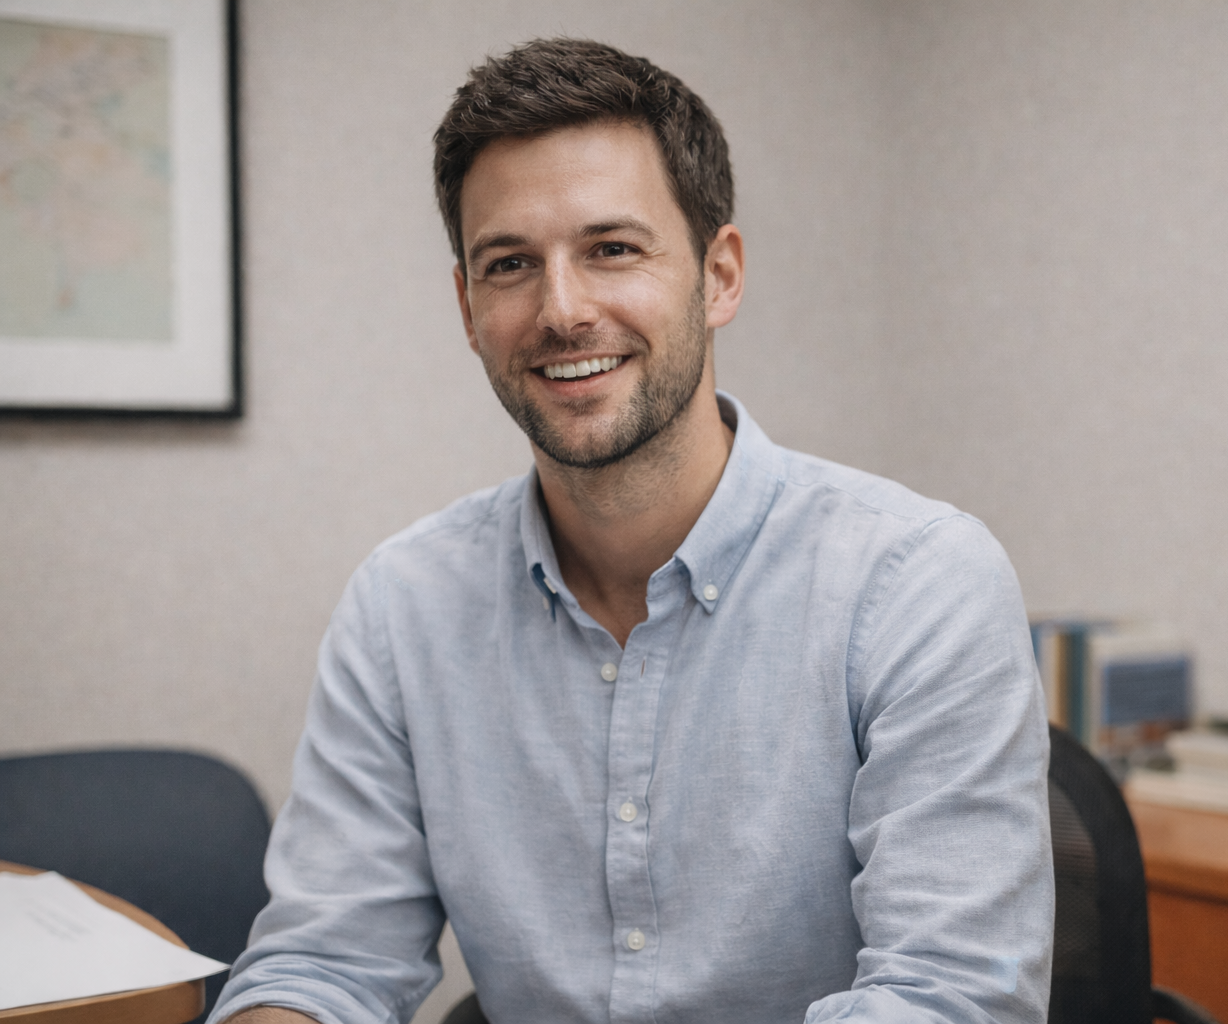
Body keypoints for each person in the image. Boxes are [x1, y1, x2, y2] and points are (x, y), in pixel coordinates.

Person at [213, 38, 1052, 1024]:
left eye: (612, 249)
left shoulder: (918, 581)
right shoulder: (404, 606)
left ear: (719, 274)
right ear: (468, 307)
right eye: (510, 264)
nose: (562, 310)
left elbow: (946, 1001)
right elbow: (322, 966)